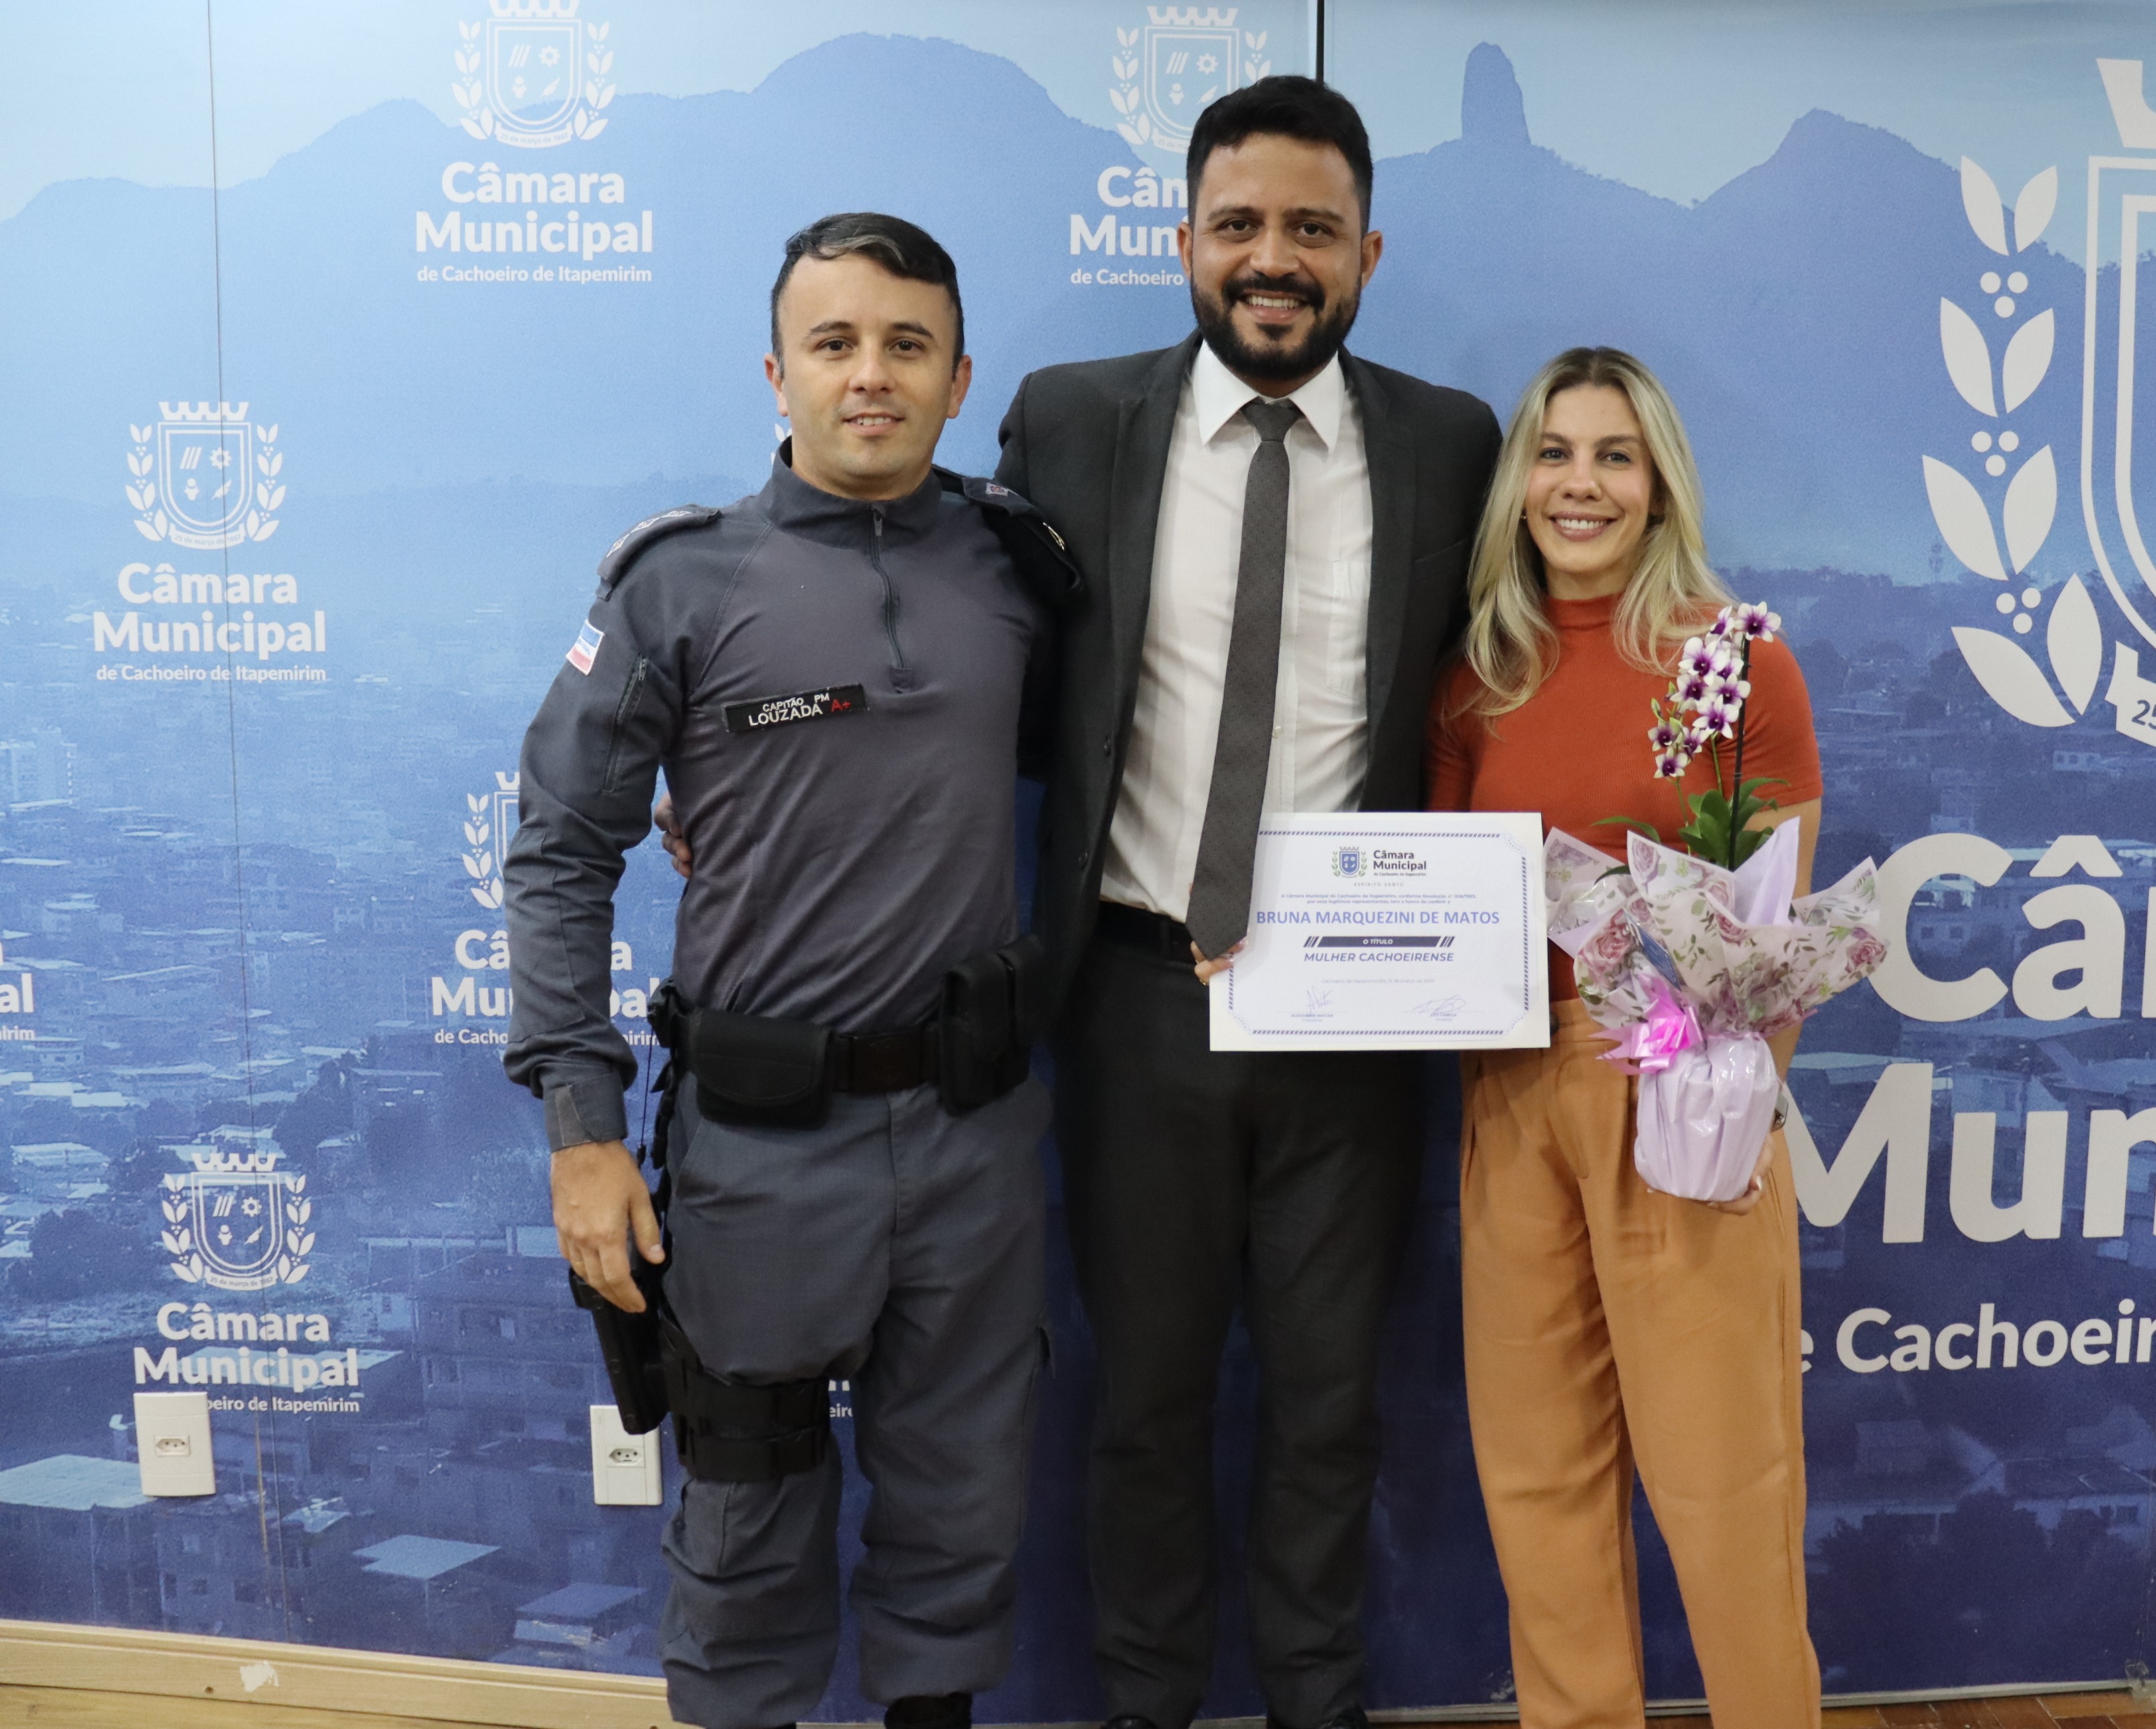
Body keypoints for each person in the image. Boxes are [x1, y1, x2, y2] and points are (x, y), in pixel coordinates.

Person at [503, 212, 1074, 1729]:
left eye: (907, 345)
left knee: (960, 1498)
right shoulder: (678, 585)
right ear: (777, 373)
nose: (869, 375)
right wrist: (579, 1134)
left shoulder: (1023, 571)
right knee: (745, 1512)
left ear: (960, 380)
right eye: (834, 343)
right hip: (760, 1150)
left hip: (973, 1136)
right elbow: (559, 851)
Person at [997, 77, 1499, 1729]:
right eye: (1239, 225)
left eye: (1309, 228)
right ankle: (1146, 1704)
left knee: (1330, 1409)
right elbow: (950, 628)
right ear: (1184, 242)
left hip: (1357, 1002)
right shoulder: (1071, 420)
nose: (1272, 258)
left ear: (1366, 252)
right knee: (1143, 1407)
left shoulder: (1450, 444)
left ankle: (1313, 1702)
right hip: (1137, 999)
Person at [1425, 348, 1825, 1727]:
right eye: (1552, 452)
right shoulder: (1475, 677)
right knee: (1538, 1475)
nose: (1579, 483)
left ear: (1659, 485)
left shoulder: (1738, 660)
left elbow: (1775, 926)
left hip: (1680, 1095)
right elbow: (1433, 906)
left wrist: (1736, 1102)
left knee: (1724, 1485)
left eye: (1613, 454)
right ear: (1516, 483)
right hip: (1511, 1094)